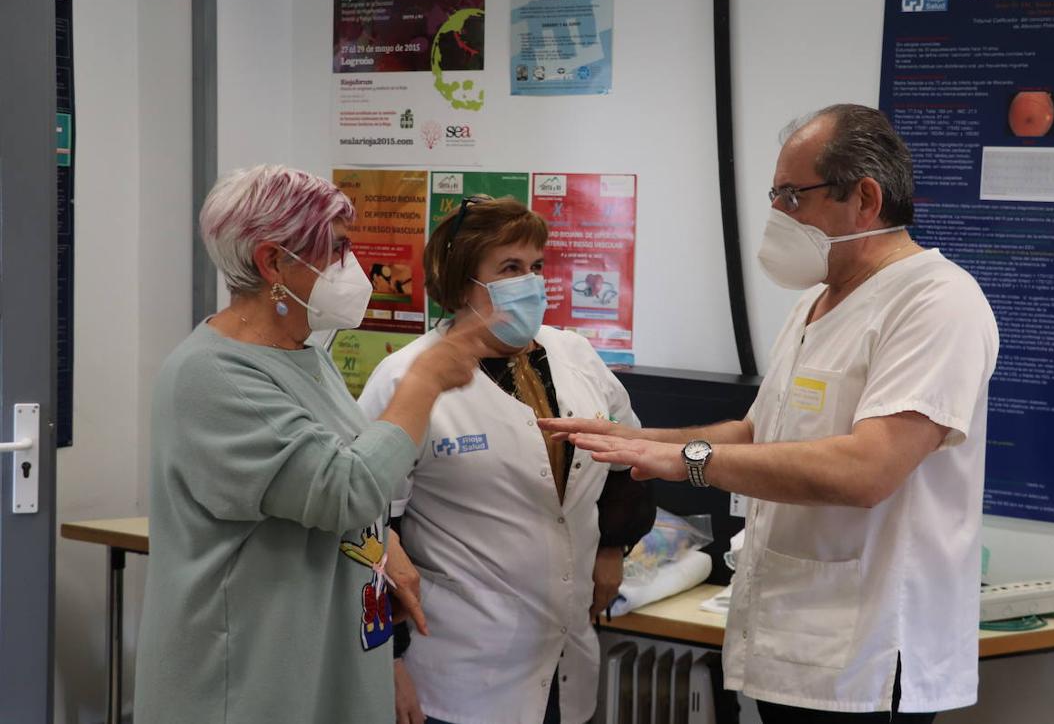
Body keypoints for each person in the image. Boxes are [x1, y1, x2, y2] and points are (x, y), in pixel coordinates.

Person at [543, 105, 999, 722]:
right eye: (774, 194)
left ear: (864, 197)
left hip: (869, 657)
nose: (777, 215)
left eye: (792, 196)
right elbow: (759, 433)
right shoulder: (818, 300)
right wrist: (639, 441)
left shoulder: (937, 301)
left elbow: (870, 470)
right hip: (792, 639)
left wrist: (690, 461)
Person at [133, 165, 497, 724]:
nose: (353, 268)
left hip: (328, 659)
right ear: (273, 261)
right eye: (337, 250)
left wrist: (383, 548)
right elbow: (342, 489)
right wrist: (423, 382)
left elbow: (349, 465)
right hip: (249, 681)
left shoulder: (305, 352)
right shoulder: (212, 376)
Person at [358, 196, 656, 724]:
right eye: (510, 269)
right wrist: (390, 659)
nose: (532, 283)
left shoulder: (574, 356)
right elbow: (369, 527)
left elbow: (628, 459)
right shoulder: (406, 378)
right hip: (461, 670)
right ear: (462, 283)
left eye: (536, 267)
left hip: (567, 653)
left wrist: (610, 547)